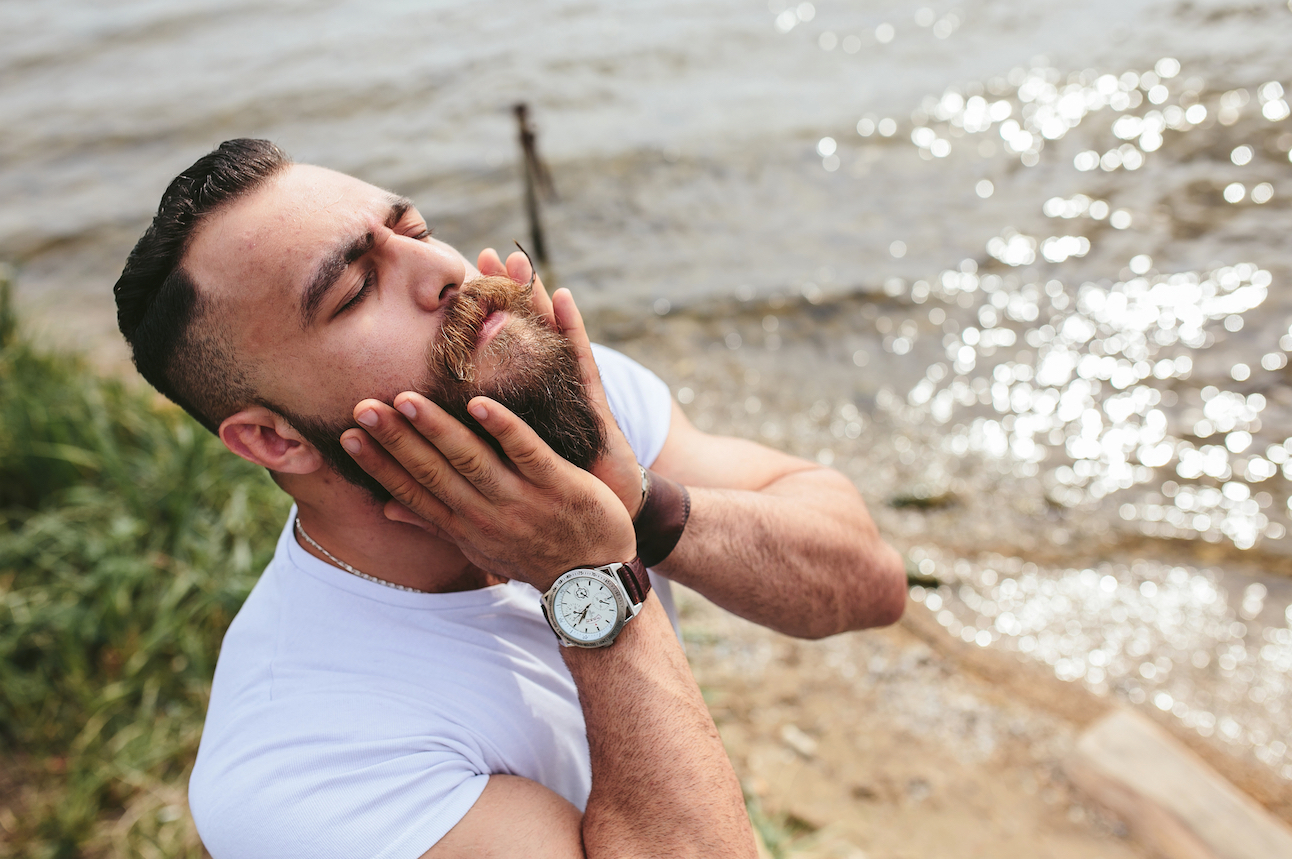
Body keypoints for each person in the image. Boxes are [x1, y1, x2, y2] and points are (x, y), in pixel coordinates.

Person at [112, 139, 907, 858]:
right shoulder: (293, 764)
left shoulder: (528, 402)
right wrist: (589, 574)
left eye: (414, 230)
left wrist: (636, 504)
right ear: (273, 440)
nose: (448, 273)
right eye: (357, 288)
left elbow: (871, 580)